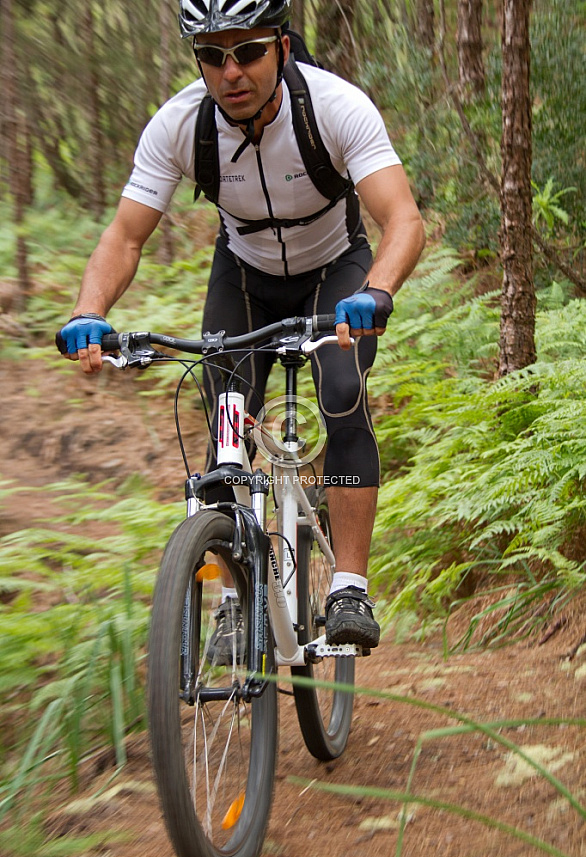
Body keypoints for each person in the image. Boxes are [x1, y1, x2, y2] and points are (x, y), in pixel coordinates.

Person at [56, 0, 425, 655]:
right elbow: (125, 236)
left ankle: (349, 586)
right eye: (212, 56)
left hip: (336, 274)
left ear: (282, 47)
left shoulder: (334, 108)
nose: (231, 72)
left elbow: (403, 219)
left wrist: (377, 292)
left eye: (247, 52)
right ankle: (231, 603)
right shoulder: (181, 125)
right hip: (245, 279)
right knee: (227, 419)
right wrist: (90, 310)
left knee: (341, 393)